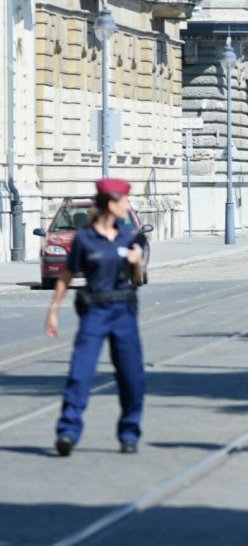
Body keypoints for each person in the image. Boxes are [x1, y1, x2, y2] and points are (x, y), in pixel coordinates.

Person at [46, 178, 146, 456]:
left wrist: (136, 264)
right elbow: (66, 274)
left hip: (123, 310)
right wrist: (54, 309)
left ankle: (129, 432)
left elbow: (137, 279)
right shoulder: (85, 238)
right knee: (81, 371)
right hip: (94, 311)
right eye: (125, 200)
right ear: (112, 203)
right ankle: (67, 431)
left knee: (131, 375)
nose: (128, 205)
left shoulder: (129, 237)